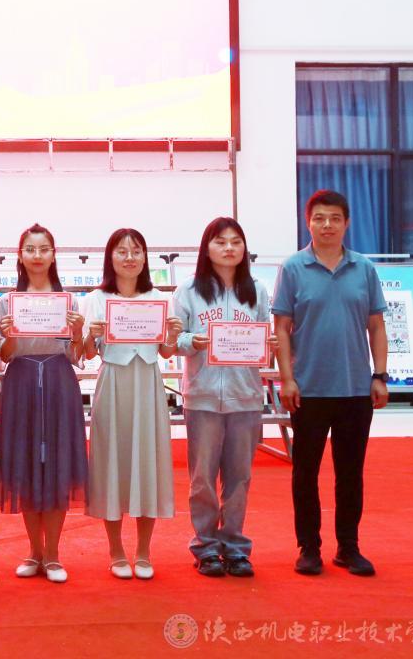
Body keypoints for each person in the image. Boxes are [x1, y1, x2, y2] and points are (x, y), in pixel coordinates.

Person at [273, 189, 388, 577]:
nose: (327, 225)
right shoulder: (293, 268)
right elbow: (281, 328)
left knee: (350, 473)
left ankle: (348, 547)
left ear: (346, 223)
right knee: (305, 473)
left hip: (355, 388)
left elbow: (376, 326)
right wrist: (287, 379)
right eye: (319, 218)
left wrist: (379, 375)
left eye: (335, 218)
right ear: (308, 223)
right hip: (308, 389)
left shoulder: (364, 268)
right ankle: (309, 548)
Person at [173, 217, 274, 578]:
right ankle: (205, 546)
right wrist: (192, 341)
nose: (229, 248)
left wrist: (268, 346)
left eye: (235, 242)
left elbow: (264, 338)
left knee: (239, 477)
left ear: (244, 248)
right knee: (202, 478)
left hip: (245, 396)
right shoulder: (188, 290)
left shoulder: (257, 290)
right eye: (220, 242)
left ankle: (235, 546)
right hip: (202, 397)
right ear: (207, 248)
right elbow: (172, 341)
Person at [82, 228, 181, 580]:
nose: (129, 257)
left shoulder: (159, 298)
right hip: (113, 382)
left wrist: (172, 335)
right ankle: (115, 551)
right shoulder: (96, 298)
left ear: (145, 258)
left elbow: (166, 352)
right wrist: (91, 335)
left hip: (148, 384)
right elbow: (87, 353)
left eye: (136, 251)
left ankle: (143, 551)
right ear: (110, 258)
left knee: (147, 462)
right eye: (122, 251)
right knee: (112, 461)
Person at [0, 224, 87, 584]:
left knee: (57, 464)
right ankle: (34, 551)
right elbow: (4, 355)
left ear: (53, 254)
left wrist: (77, 333)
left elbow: (76, 356)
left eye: (43, 249)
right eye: (30, 249)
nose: (37, 255)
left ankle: (54, 554)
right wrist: (9, 334)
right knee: (26, 464)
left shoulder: (69, 302)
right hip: (20, 383)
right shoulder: (7, 302)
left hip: (59, 382)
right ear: (20, 255)